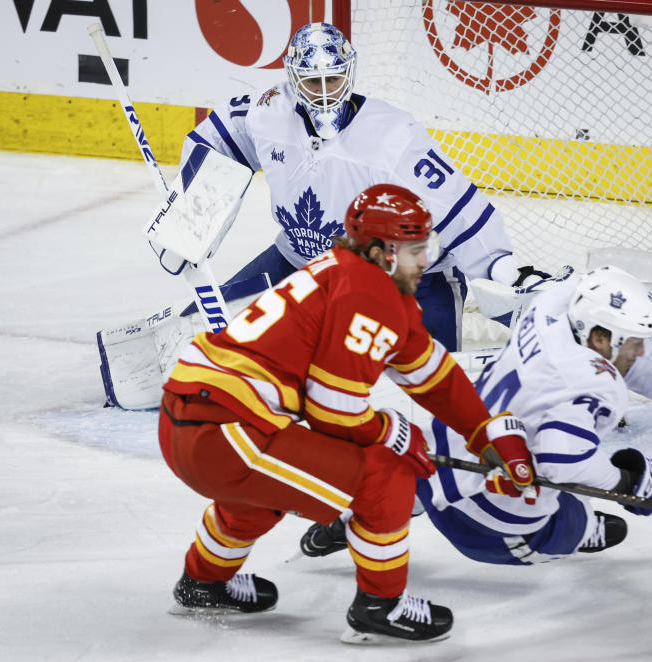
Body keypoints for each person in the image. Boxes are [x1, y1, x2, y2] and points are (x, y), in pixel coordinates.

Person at [157, 184, 538, 644]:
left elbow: (433, 374)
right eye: (416, 249)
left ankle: (204, 581)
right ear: (381, 252)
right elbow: (333, 411)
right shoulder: (370, 291)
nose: (426, 261)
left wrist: (486, 433)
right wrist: (392, 430)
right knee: (387, 473)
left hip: (195, 424)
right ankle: (380, 606)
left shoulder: (349, 275)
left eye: (428, 246)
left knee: (266, 490)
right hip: (226, 433)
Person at [300, 265, 652, 565]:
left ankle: (352, 522)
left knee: (430, 469)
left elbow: (620, 344)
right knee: (564, 516)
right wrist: (628, 484)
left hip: (445, 447)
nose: (641, 352)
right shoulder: (588, 383)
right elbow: (563, 462)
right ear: (600, 337)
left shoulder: (555, 302)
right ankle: (578, 529)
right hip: (487, 521)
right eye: (632, 342)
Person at [173, 21, 549, 352]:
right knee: (195, 338)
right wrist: (188, 214)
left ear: (348, 74)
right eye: (311, 81)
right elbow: (219, 136)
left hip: (410, 281)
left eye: (332, 79)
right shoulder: (268, 111)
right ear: (292, 78)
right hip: (298, 262)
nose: (323, 92)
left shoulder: (394, 137)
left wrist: (505, 269)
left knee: (419, 384)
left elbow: (458, 211)